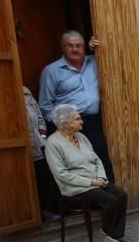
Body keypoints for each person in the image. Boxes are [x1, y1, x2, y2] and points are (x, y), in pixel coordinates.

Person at [44, 104, 127, 242]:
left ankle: (112, 232)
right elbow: (62, 174)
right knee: (111, 200)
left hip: (95, 181)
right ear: (65, 123)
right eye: (77, 119)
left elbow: (97, 160)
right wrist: (91, 182)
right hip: (75, 186)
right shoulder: (53, 143)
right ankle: (111, 234)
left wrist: (101, 178)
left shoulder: (81, 137)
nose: (82, 121)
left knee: (121, 195)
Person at [39, 31, 114, 180]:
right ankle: (86, 200)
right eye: (70, 46)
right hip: (67, 126)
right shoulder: (52, 71)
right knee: (77, 166)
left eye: (78, 45)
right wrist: (61, 126)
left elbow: (115, 57)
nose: (75, 49)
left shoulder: (96, 61)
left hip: (92, 122)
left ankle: (108, 197)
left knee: (101, 161)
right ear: (62, 47)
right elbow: (45, 105)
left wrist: (101, 46)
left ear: (84, 47)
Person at [24, 86, 58, 221]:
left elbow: (39, 118)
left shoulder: (25, 92)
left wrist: (42, 137)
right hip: (15, 147)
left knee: (44, 177)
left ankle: (45, 210)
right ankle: (29, 216)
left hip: (37, 145)